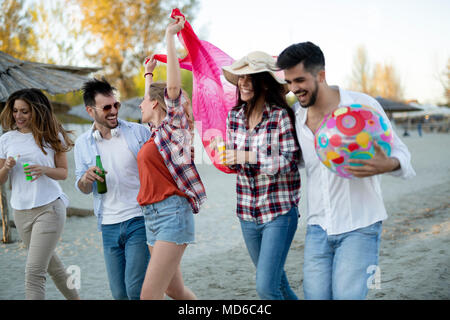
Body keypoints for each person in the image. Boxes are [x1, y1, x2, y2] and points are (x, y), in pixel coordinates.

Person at [277, 41, 416, 300]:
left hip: (360, 226)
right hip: (317, 226)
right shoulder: (295, 117)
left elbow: (402, 154)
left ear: (321, 75)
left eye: (299, 80)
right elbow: (294, 161)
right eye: (289, 82)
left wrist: (389, 164)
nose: (294, 89)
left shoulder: (362, 106)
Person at [218, 51, 301, 300]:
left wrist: (248, 156)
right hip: (247, 213)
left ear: (264, 81)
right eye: (240, 78)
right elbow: (236, 165)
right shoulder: (234, 117)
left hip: (279, 212)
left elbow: (289, 161)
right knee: (278, 283)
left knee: (266, 287)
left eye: (248, 77)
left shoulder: (281, 116)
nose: (242, 83)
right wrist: (227, 158)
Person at [137, 16, 206, 300]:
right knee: (173, 289)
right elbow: (151, 108)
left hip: (171, 214)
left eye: (144, 101)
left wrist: (169, 36)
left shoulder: (175, 127)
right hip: (151, 216)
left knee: (148, 296)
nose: (139, 104)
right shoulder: (156, 133)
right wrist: (148, 76)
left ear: (155, 103)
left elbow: (173, 89)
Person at [73, 78, 150, 300]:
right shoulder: (82, 144)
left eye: (116, 105)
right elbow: (83, 187)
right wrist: (87, 179)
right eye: (106, 107)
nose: (114, 111)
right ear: (90, 111)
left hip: (139, 219)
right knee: (119, 294)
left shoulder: (137, 133)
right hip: (108, 225)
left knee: (134, 289)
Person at [0, 88, 80, 300]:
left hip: (49, 208)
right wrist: (6, 167)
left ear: (37, 111)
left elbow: (63, 173)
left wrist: (43, 169)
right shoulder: (6, 139)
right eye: (16, 111)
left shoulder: (52, 136)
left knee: (34, 272)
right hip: (21, 212)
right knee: (54, 267)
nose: (19, 116)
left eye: (25, 111)